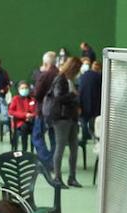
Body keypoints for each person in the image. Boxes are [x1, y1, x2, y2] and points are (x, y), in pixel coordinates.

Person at [46, 56, 83, 187]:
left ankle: (72, 178)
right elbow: (58, 97)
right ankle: (57, 177)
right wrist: (73, 95)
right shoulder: (60, 79)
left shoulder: (70, 80)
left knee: (74, 147)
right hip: (61, 119)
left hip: (71, 117)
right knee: (60, 147)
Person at [31, 51, 58, 167]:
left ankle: (47, 161)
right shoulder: (59, 73)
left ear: (45, 63)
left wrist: (40, 75)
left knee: (37, 137)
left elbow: (37, 94)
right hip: (56, 111)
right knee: (53, 138)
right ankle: (54, 160)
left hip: (42, 110)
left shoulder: (44, 75)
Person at [7, 82, 36, 152]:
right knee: (24, 127)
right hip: (19, 122)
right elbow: (11, 111)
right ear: (19, 90)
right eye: (22, 88)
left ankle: (35, 150)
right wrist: (24, 115)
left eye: (26, 88)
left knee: (36, 127)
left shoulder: (32, 99)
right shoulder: (15, 99)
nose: (24, 90)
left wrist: (31, 115)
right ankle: (24, 149)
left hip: (31, 121)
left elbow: (36, 110)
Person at [77, 58, 102, 142]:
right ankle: (96, 136)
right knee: (95, 120)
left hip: (84, 102)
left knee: (84, 120)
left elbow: (80, 89)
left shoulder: (83, 76)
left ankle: (85, 136)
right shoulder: (100, 77)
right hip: (96, 102)